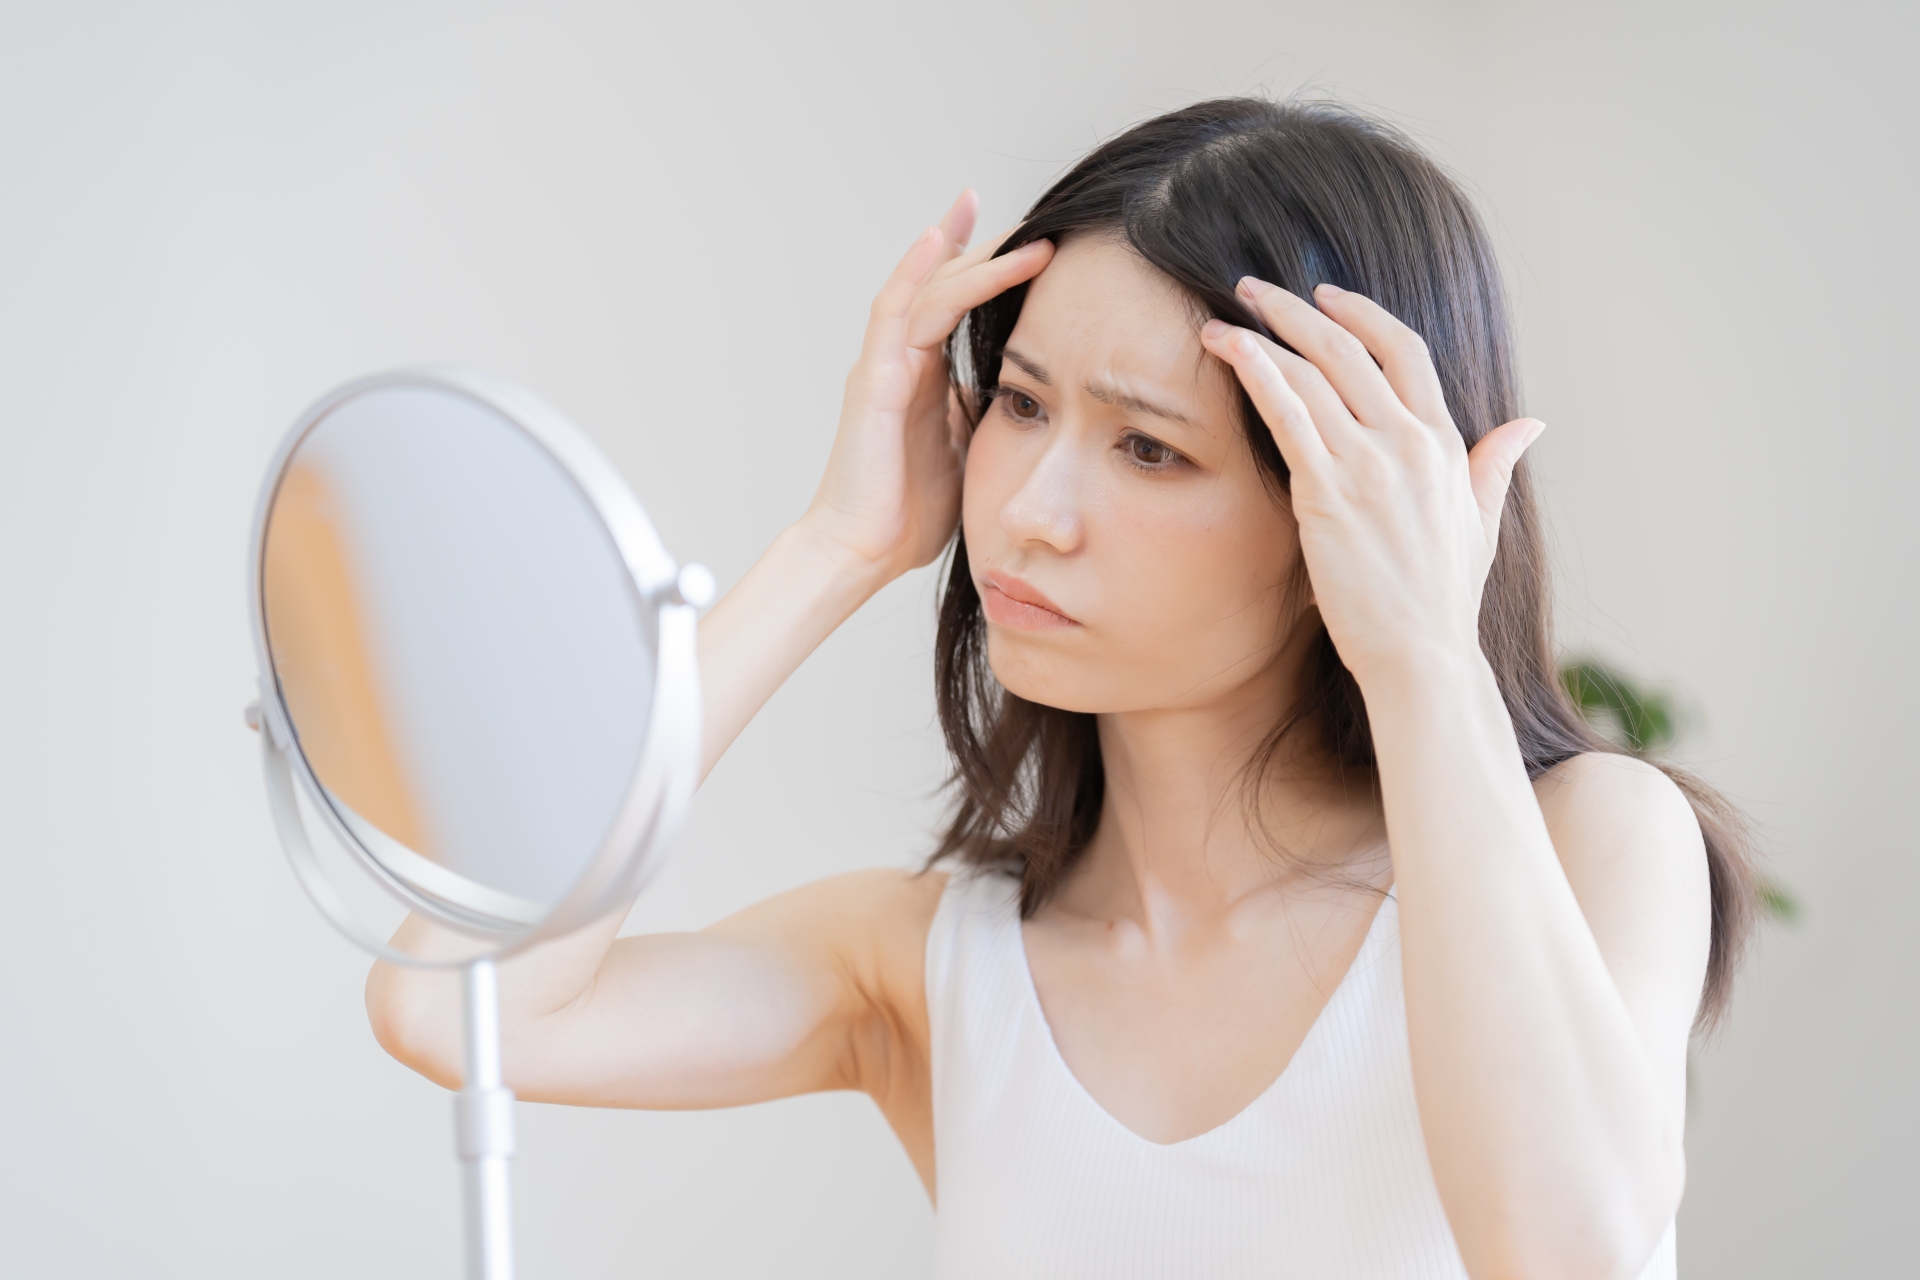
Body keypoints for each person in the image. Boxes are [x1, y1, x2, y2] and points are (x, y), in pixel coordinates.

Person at [366, 97, 1757, 1279]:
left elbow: (1569, 1246)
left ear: (1349, 500)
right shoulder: (925, 965)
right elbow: (451, 1005)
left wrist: (1422, 655)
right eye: (1022, 406)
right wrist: (834, 548)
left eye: (1148, 450)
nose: (1031, 510)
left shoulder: (1598, 839)